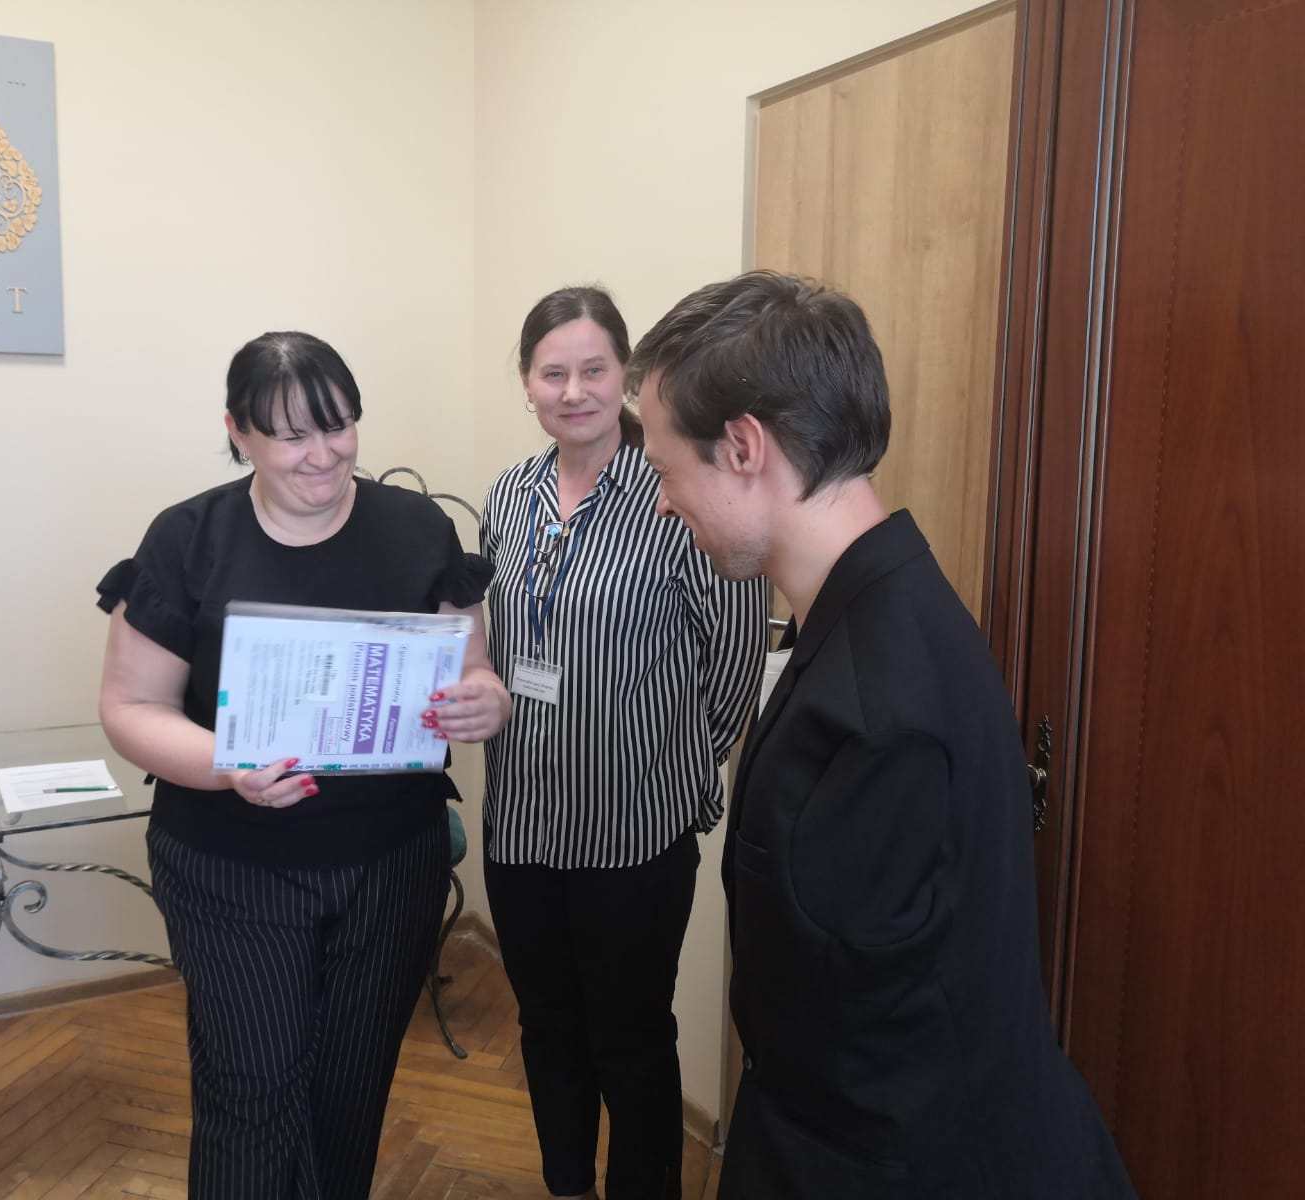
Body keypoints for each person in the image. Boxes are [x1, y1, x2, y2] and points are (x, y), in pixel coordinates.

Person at [629, 270, 1137, 1199]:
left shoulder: (874, 702)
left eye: (666, 470)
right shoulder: (879, 602)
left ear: (742, 446)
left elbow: (858, 1048)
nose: (664, 503)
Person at [96, 330, 511, 1200]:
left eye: (338, 427)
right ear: (237, 432)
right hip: (231, 863)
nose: (322, 455)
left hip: (390, 861)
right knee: (250, 1086)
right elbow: (130, 708)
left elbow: (470, 668)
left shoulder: (417, 528)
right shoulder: (189, 538)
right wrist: (228, 765)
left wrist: (484, 699)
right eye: (290, 435)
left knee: (351, 1085)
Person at [478, 286, 765, 1200]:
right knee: (545, 1028)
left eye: (593, 370)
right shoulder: (507, 496)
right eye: (552, 373)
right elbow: (494, 646)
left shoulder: (676, 490)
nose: (573, 391)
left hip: (633, 832)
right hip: (521, 823)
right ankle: (566, 1185)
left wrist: (677, 768)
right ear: (526, 383)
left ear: (627, 377)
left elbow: (732, 658)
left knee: (632, 1040)